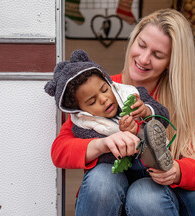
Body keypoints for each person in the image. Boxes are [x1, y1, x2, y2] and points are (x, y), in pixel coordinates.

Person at [51, 8, 195, 216]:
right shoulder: (101, 92)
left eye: (157, 55)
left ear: (171, 63)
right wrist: (101, 145)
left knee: (145, 194)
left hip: (158, 198)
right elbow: (60, 150)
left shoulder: (180, 103)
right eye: (142, 45)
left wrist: (177, 171)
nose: (144, 59)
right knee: (102, 178)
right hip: (111, 194)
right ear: (133, 40)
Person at [44, 49, 173, 172]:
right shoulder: (84, 126)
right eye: (92, 102)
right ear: (81, 110)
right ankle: (151, 158)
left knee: (149, 132)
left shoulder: (132, 93)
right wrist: (125, 138)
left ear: (108, 81)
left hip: (150, 165)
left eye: (105, 89)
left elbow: (164, 117)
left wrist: (147, 111)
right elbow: (103, 158)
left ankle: (157, 153)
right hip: (125, 166)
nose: (104, 99)